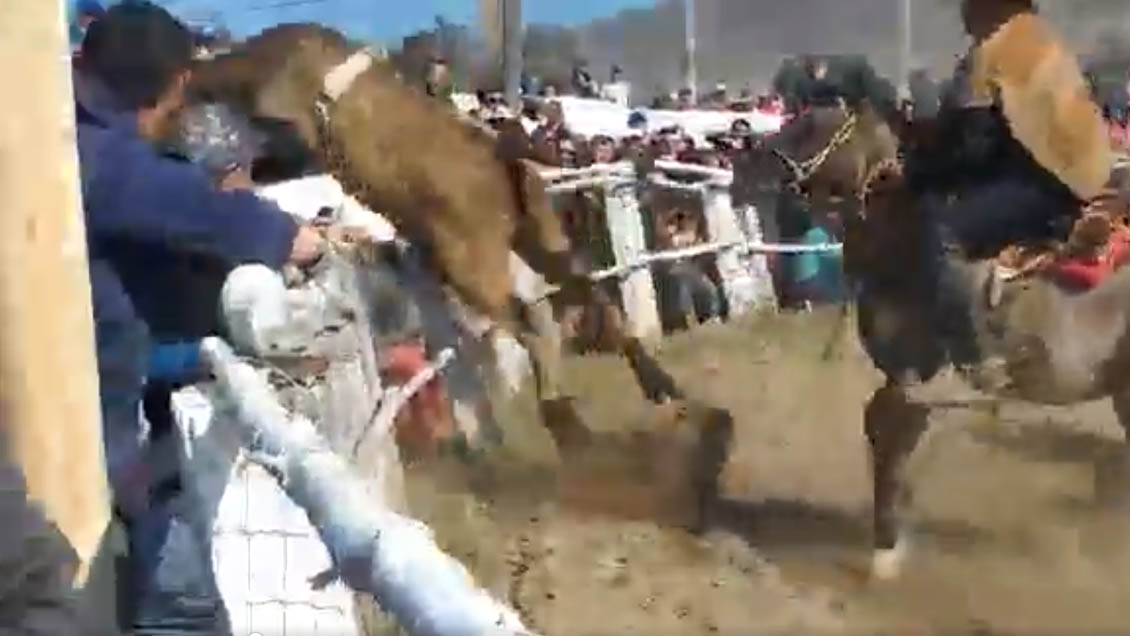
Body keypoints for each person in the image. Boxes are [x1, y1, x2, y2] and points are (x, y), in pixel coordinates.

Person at [74, 3, 323, 633]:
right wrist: (289, 236)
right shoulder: (98, 160)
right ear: (175, 85)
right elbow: (210, 213)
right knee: (181, 607)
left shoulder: (54, 134)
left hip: (98, 420)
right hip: (91, 441)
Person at [904, 0, 1112, 368]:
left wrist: (918, 174)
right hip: (1072, 178)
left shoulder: (996, 50)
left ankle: (973, 357)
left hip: (1045, 186)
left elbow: (975, 144)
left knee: (942, 228)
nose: (963, 12)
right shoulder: (1034, 39)